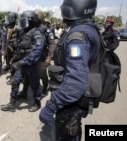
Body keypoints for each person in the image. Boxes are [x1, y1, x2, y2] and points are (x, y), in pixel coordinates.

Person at [39, 0, 101, 141]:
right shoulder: (87, 28)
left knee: (67, 133)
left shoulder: (77, 36)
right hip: (74, 98)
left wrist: (51, 106)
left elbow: (76, 81)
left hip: (71, 101)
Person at [0, 10, 46, 112]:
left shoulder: (37, 33)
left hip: (32, 64)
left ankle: (37, 103)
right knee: (14, 81)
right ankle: (12, 103)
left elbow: (36, 53)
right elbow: (19, 49)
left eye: (24, 21)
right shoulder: (23, 32)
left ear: (31, 21)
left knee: (35, 85)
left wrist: (20, 63)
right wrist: (14, 59)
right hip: (23, 62)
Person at [18, 9, 56, 99]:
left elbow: (52, 43)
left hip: (41, 57)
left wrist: (49, 57)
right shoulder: (28, 28)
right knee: (27, 76)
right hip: (30, 56)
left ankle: (44, 89)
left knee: (42, 74)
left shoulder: (45, 29)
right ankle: (24, 92)